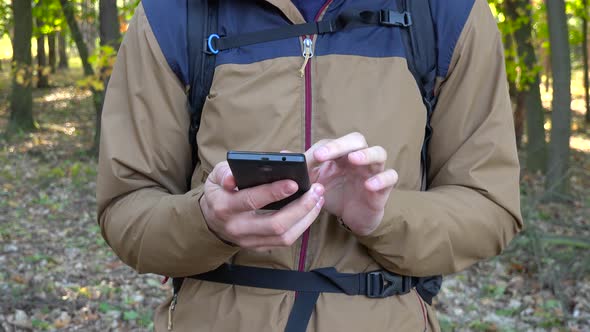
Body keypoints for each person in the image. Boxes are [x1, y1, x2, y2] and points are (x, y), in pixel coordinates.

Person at [97, 0, 523, 330]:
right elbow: (126, 207)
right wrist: (206, 222)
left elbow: (490, 207)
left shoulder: (445, 12)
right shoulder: (173, 14)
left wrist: (383, 217)